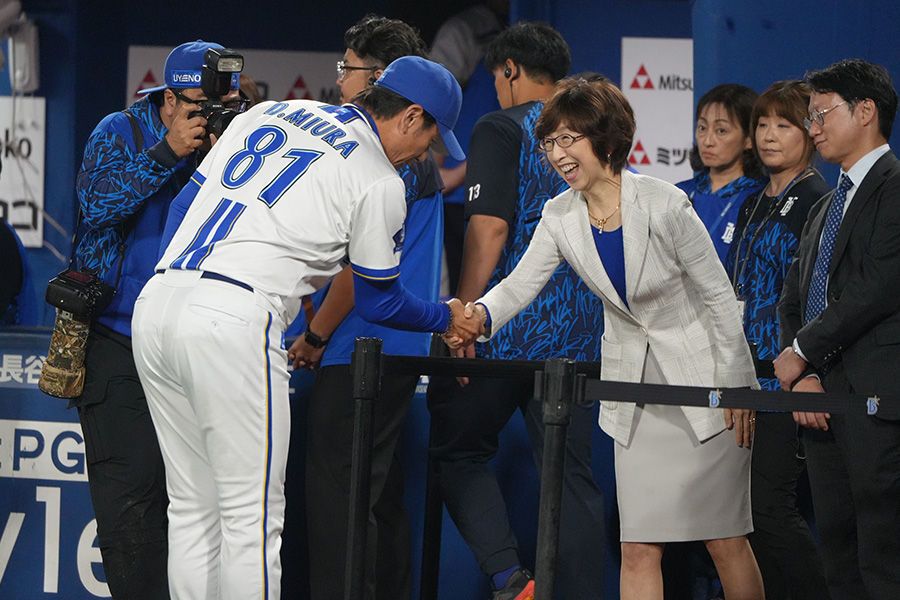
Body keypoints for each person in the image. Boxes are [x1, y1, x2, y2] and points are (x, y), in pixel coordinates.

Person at [131, 56, 479, 600]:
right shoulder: (378, 178)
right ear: (411, 116)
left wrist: (180, 274)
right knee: (251, 521)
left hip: (159, 302)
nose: (427, 153)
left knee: (193, 508)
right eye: (432, 137)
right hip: (235, 316)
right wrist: (446, 314)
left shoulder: (272, 110)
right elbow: (380, 299)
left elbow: (182, 204)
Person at [462, 77, 764, 600]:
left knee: (724, 539)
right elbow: (519, 285)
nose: (558, 154)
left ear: (605, 139)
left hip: (706, 384)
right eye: (550, 142)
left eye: (568, 139)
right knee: (638, 546)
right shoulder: (559, 215)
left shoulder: (664, 203)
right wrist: (477, 315)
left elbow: (718, 296)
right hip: (636, 395)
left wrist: (738, 384)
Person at [426, 22, 607, 600]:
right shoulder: (594, 130)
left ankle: (511, 580)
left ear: (508, 71)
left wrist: (466, 320)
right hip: (580, 332)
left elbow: (490, 227)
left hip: (504, 330)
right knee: (572, 478)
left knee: (457, 451)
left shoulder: (501, 124)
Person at [71, 39, 238, 599]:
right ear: (168, 100)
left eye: (223, 103)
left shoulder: (233, 141)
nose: (212, 115)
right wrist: (168, 152)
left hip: (195, 342)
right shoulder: (120, 131)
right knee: (131, 509)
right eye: (199, 105)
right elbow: (95, 206)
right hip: (117, 341)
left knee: (197, 503)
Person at [288, 15, 444, 600]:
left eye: (347, 69)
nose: (341, 82)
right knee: (375, 498)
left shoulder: (388, 159)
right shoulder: (393, 154)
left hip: (362, 345)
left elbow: (364, 271)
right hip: (389, 348)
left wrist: (317, 335)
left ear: (378, 77)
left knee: (340, 503)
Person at [774, 58, 900, 599]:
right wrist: (803, 377)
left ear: (865, 111)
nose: (813, 128)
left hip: (877, 397)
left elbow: (878, 286)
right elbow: (793, 298)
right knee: (839, 553)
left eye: (821, 114)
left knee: (883, 551)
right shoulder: (827, 204)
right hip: (819, 401)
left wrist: (801, 351)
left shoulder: (895, 188)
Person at [725, 80, 831, 600]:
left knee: (770, 508)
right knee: (737, 514)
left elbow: (819, 296)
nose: (768, 135)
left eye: (783, 125)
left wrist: (806, 367)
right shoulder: (750, 201)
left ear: (810, 132)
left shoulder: (818, 200)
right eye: (762, 123)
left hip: (786, 376)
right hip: (741, 375)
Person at [429, 0, 506, 293]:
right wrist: (453, 169)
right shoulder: (465, 29)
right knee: (460, 300)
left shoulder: (515, 22)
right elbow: (435, 99)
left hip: (494, 198)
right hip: (455, 205)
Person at [677, 84, 766, 263]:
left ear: (749, 139)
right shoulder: (678, 194)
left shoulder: (760, 200)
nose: (707, 141)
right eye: (702, 128)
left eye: (721, 130)